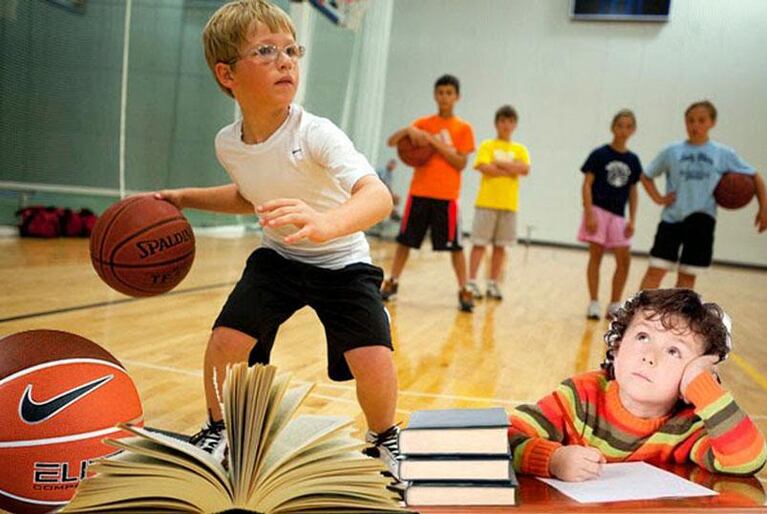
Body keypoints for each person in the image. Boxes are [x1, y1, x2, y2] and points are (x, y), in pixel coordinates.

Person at [155, 0, 400, 473]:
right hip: (279, 260)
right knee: (225, 341)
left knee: (373, 358)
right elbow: (249, 196)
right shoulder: (228, 142)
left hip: (342, 263)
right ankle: (219, 430)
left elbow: (378, 196)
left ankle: (385, 437)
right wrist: (185, 196)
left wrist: (326, 223)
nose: (286, 60)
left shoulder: (317, 134)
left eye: (291, 49)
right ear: (227, 75)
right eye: (266, 51)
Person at [508, 288, 766, 482]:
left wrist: (703, 385)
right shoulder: (580, 397)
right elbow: (505, 436)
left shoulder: (688, 425)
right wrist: (553, 460)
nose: (649, 356)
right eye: (643, 336)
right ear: (617, 347)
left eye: (674, 351)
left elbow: (747, 459)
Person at [639, 100, 767, 290]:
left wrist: (763, 209)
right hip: (672, 219)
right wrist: (658, 198)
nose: (695, 125)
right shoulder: (671, 151)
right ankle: (640, 315)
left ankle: (678, 318)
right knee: (655, 271)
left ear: (712, 123)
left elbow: (755, 176)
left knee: (687, 277)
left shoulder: (723, 153)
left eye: (701, 120)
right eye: (690, 120)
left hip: (702, 220)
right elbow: (646, 175)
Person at [381, 74, 476, 312]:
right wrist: (408, 130)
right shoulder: (423, 123)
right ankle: (392, 282)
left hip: (447, 197)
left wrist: (433, 142)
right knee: (405, 242)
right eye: (441, 93)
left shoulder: (463, 129)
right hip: (420, 193)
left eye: (449, 93)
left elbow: (460, 163)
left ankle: (464, 289)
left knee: (455, 247)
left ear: (457, 97)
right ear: (435, 95)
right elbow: (391, 143)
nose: (444, 97)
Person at [577, 109, 642, 320]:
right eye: (620, 125)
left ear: (633, 130)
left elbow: (633, 191)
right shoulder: (599, 154)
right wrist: (589, 212)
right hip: (597, 210)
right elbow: (587, 184)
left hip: (619, 216)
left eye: (628, 126)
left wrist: (632, 219)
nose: (623, 130)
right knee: (595, 257)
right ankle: (593, 302)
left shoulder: (633, 160)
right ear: (613, 127)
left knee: (624, 260)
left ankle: (614, 305)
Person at [466, 105, 530, 301]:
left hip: (508, 204)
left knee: (500, 247)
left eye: (510, 121)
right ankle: (471, 281)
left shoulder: (520, 149)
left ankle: (493, 283)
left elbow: (525, 168)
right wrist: (511, 169)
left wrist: (499, 165)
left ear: (515, 125)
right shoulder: (487, 145)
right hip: (486, 202)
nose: (506, 125)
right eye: (502, 121)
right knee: (479, 243)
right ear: (496, 123)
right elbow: (484, 166)